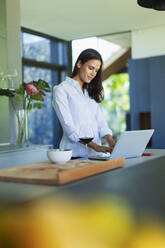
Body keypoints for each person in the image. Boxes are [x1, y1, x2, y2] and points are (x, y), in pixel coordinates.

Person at [52, 48, 115, 158]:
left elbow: (101, 122)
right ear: (79, 64)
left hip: (96, 156)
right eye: (91, 68)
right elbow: (69, 127)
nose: (93, 74)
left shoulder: (90, 92)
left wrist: (111, 142)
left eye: (96, 70)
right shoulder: (61, 90)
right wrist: (95, 146)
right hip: (74, 155)